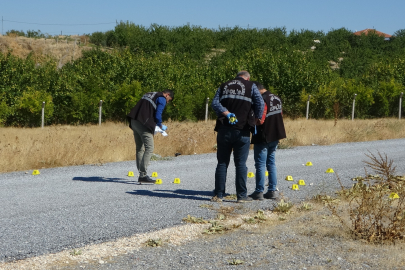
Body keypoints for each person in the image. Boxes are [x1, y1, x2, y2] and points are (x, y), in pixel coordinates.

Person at [211, 71, 264, 203]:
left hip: (224, 129)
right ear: (248, 78)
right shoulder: (251, 86)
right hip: (243, 130)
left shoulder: (224, 85)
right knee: (240, 164)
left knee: (222, 163)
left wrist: (227, 113)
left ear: (237, 77)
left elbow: (214, 103)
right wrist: (257, 119)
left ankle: (218, 195)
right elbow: (260, 103)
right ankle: (241, 196)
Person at [127, 89, 174, 183]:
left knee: (139, 148)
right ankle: (143, 175)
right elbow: (158, 114)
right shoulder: (162, 98)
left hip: (134, 121)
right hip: (143, 123)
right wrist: (160, 125)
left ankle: (141, 173)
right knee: (149, 148)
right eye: (169, 100)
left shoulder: (149, 94)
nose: (167, 102)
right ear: (167, 95)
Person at [249, 82, 286, 200]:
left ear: (257, 89)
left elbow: (261, 120)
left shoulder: (262, 100)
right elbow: (280, 114)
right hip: (276, 135)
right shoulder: (276, 98)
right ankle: (272, 191)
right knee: (271, 163)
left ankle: (259, 191)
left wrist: (250, 122)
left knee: (260, 164)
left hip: (264, 136)